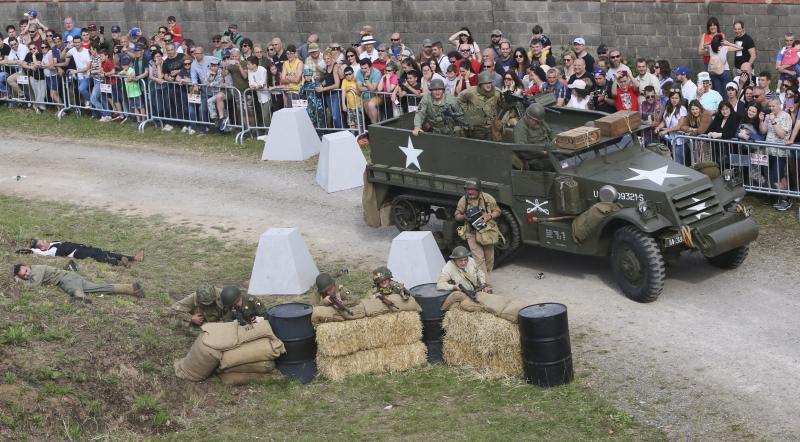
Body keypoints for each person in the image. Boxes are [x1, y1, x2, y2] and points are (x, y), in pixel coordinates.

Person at [13, 263, 143, 304]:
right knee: (98, 288)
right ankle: (130, 288)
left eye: (25, 271)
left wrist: (19, 281)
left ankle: (81, 298)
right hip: (73, 277)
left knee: (69, 287)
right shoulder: (33, 272)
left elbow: (34, 285)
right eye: (23, 276)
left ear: (26, 266)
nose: (27, 275)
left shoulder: (37, 269)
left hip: (66, 278)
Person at [454, 178, 501, 276]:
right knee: (479, 260)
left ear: (478, 190)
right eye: (467, 189)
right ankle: (485, 284)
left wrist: (489, 216)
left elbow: (497, 211)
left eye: (472, 189)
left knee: (489, 259)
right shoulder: (464, 200)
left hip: (487, 232)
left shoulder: (487, 198)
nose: (470, 191)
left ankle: (485, 278)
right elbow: (457, 216)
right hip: (471, 232)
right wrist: (464, 216)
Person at [760, 98, 793, 210]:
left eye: (773, 106)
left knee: (776, 177)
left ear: (779, 105)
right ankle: (784, 197)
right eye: (770, 106)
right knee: (779, 176)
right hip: (769, 151)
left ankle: (785, 200)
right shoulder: (770, 116)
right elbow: (763, 131)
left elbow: (782, 135)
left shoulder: (785, 116)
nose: (771, 108)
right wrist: (762, 120)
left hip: (780, 152)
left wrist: (774, 121)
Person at [23, 238, 144, 267]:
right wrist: (31, 249)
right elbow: (33, 251)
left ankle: (133, 258)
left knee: (101, 251)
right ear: (42, 248)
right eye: (42, 242)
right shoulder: (48, 251)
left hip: (80, 247)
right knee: (96, 255)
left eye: (42, 240)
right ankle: (119, 263)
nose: (44, 240)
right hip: (76, 253)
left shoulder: (54, 243)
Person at [457, 70, 501, 140]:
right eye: (485, 83)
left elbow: (502, 104)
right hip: (476, 127)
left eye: (490, 82)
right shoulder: (472, 92)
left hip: (490, 127)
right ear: (480, 84)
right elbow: (460, 98)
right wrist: (466, 111)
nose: (488, 85)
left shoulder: (496, 93)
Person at [654, 89, 688, 162]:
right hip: (671, 140)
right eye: (672, 98)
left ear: (680, 99)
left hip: (680, 141)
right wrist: (658, 127)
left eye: (676, 98)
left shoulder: (682, 109)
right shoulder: (668, 108)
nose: (674, 100)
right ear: (669, 98)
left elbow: (679, 126)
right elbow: (664, 121)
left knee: (679, 163)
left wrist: (666, 130)